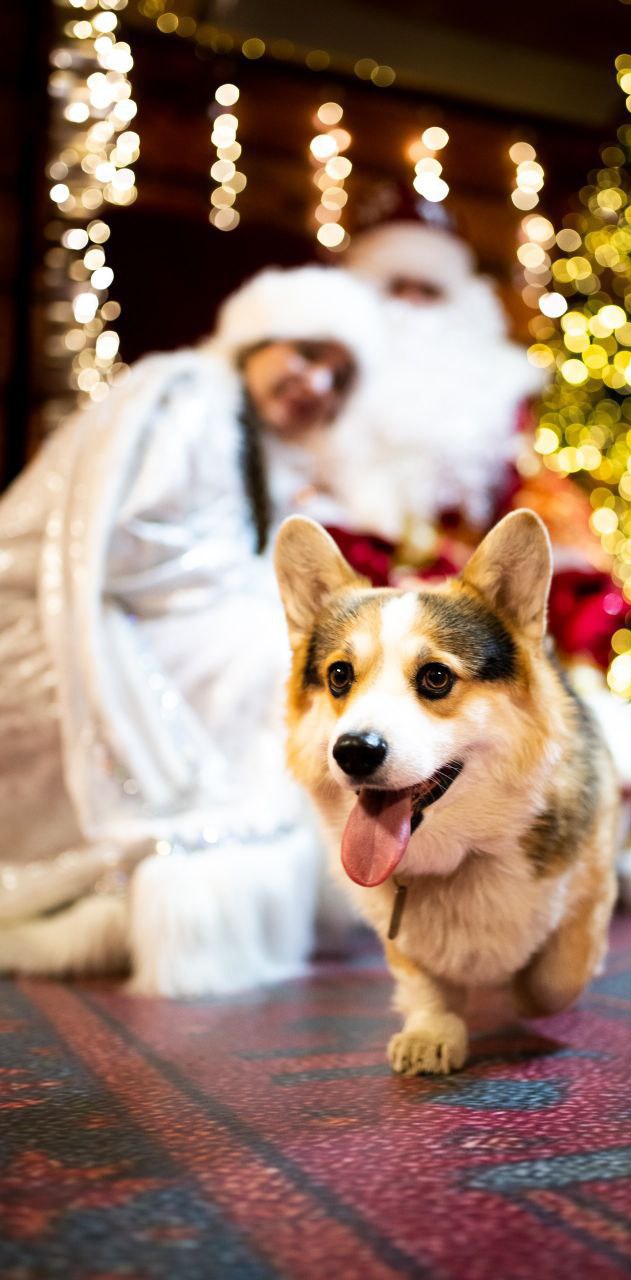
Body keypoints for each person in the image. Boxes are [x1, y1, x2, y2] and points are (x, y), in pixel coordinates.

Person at [0, 265, 382, 994]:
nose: (318, 385)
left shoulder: (253, 446)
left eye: (340, 379)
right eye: (308, 353)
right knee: (288, 663)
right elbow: (135, 541)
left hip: (162, 621)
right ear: (256, 338)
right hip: (91, 623)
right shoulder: (189, 393)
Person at [334, 198, 631, 905]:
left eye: (427, 290)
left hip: (479, 606)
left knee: (583, 729)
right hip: (361, 611)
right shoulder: (326, 396)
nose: (410, 307)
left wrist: (563, 581)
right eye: (392, 290)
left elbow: (537, 505)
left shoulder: (499, 402)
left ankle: (575, 857)